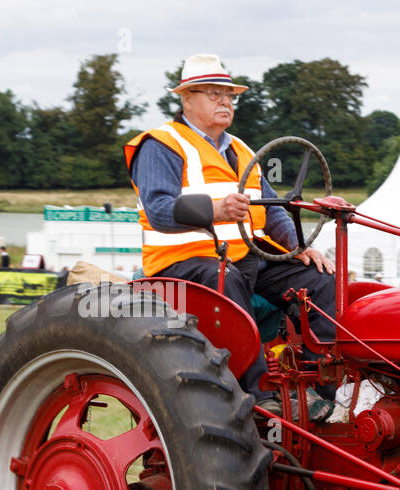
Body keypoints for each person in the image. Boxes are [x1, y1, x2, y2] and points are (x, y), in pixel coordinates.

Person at [124, 54, 337, 418]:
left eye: (230, 95)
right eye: (214, 93)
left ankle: (323, 391)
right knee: (226, 277)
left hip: (243, 257)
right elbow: (159, 210)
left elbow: (270, 209)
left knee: (319, 280)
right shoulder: (160, 145)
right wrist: (215, 209)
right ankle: (258, 392)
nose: (225, 102)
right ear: (187, 97)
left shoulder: (243, 151)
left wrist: (298, 247)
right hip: (182, 263)